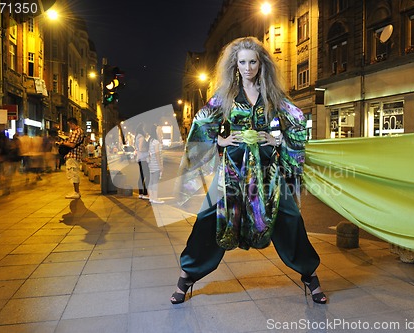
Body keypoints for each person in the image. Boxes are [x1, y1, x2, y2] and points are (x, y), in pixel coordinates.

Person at [170, 37, 327, 304]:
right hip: (231, 169)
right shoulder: (225, 96)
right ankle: (187, 276)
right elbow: (202, 123)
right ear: (234, 65)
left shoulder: (272, 95)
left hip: (267, 169)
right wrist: (220, 141)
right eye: (242, 62)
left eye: (252, 62)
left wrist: (277, 140)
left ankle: (310, 274)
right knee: (209, 216)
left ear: (261, 63)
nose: (247, 67)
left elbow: (298, 121)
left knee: (289, 215)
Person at [61, 117, 84, 199]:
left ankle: (76, 192)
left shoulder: (76, 132)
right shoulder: (80, 131)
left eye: (69, 125)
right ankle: (76, 191)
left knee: (73, 173)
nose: (69, 127)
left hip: (73, 155)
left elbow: (72, 145)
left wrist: (63, 143)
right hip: (75, 155)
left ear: (72, 123)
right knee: (73, 173)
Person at [146, 124, 164, 204]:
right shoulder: (156, 142)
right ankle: (155, 198)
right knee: (155, 181)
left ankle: (151, 197)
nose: (161, 133)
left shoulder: (151, 141)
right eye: (160, 132)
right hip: (156, 164)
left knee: (151, 181)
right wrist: (160, 166)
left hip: (151, 164)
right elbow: (157, 154)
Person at [135, 123, 150, 200]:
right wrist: (147, 150)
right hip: (143, 159)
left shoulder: (137, 137)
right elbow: (141, 148)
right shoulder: (141, 138)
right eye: (144, 128)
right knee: (147, 176)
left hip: (140, 158)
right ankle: (144, 193)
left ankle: (141, 193)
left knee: (141, 176)